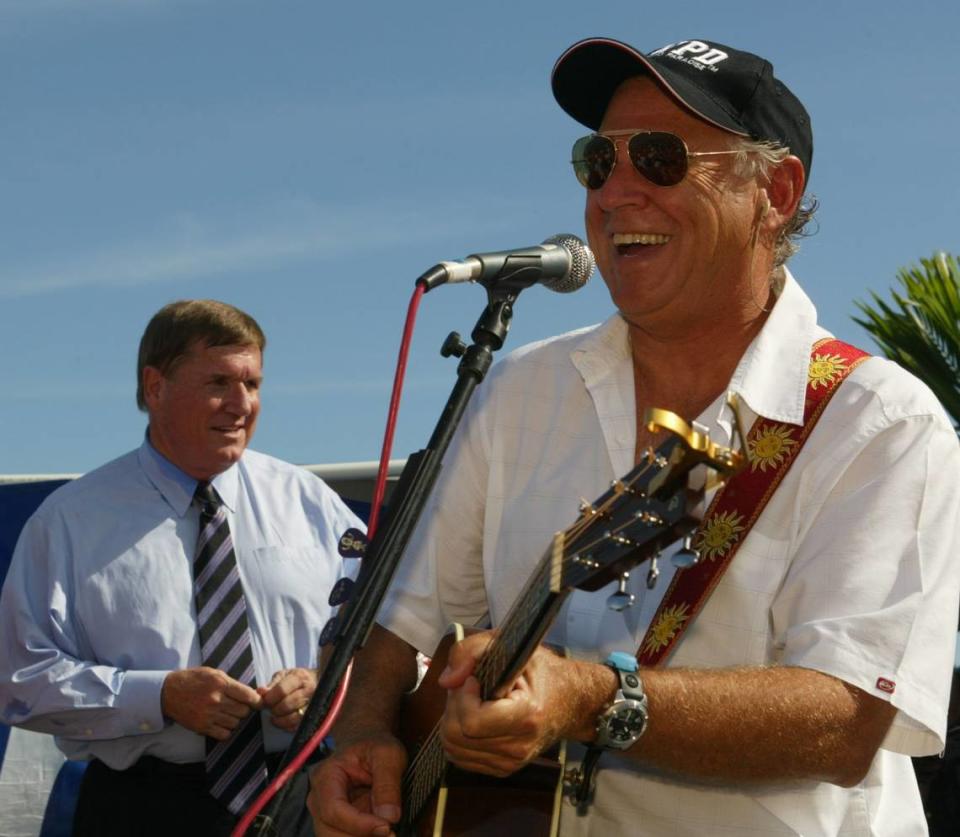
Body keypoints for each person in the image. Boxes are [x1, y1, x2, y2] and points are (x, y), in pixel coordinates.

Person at [307, 37, 960, 837]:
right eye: (596, 160)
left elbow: (849, 714)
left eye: (659, 158)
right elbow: (398, 626)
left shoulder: (881, 422)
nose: (614, 192)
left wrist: (589, 698)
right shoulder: (518, 391)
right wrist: (369, 734)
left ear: (775, 191)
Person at [0, 299, 364, 836]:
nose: (242, 404)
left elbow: (381, 640)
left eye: (254, 384)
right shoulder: (70, 521)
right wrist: (160, 695)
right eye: (219, 381)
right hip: (140, 809)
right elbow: (19, 680)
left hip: (305, 798)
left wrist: (323, 684)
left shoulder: (312, 505)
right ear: (155, 387)